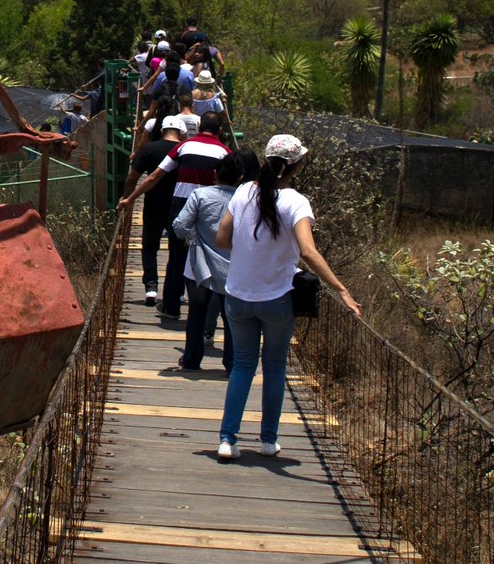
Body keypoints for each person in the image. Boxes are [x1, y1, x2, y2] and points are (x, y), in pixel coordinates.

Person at [214, 135, 362, 460]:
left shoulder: (243, 191)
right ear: (296, 165)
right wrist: (341, 289)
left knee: (242, 365)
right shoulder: (297, 202)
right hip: (276, 298)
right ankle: (268, 440)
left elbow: (222, 237)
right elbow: (308, 251)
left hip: (237, 296)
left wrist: (250, 249)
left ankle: (227, 439)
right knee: (275, 367)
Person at [118, 113, 230, 320]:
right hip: (212, 207)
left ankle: (171, 305)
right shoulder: (225, 152)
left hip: (181, 205)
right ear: (220, 131)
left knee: (177, 255)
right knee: (210, 255)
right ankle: (207, 312)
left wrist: (130, 198)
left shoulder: (184, 147)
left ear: (199, 127)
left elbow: (154, 176)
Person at [171, 151, 258, 373]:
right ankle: (232, 363)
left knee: (196, 313)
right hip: (233, 267)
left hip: (198, 267)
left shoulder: (200, 195)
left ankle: (191, 360)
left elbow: (180, 228)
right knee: (231, 318)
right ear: (240, 178)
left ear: (214, 174)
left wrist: (192, 237)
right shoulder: (246, 200)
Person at [122, 110, 184, 307]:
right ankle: (178, 291)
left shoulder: (149, 148)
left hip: (152, 204)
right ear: (181, 133)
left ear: (162, 130)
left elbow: (132, 177)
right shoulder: (185, 150)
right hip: (178, 206)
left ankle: (150, 287)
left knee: (150, 246)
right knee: (177, 249)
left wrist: (127, 199)